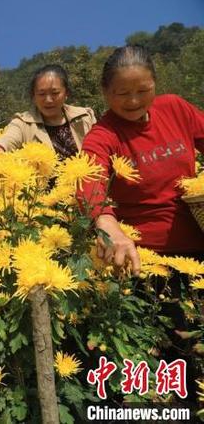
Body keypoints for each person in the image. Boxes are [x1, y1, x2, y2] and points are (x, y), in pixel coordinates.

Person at [79, 45, 204, 402]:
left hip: (199, 244)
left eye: (143, 90)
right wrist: (108, 222)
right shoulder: (103, 136)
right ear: (105, 93)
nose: (134, 100)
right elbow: (89, 185)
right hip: (151, 262)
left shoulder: (175, 108)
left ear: (155, 84)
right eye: (122, 93)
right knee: (176, 354)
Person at [0, 64, 96, 160]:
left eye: (55, 93)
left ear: (66, 93)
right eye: (41, 94)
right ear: (33, 96)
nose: (48, 100)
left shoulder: (85, 116)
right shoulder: (22, 123)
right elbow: (7, 140)